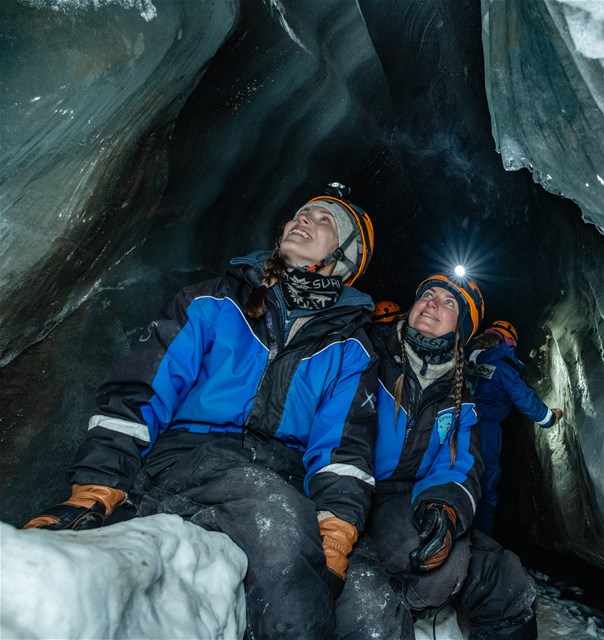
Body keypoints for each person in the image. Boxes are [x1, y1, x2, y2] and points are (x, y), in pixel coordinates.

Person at [23, 182, 379, 640]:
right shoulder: (212, 302)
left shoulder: (350, 348)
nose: (303, 220)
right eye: (301, 213)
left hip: (284, 477)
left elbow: (342, 449)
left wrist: (335, 532)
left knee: (371, 599)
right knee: (281, 524)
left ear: (346, 258)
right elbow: (141, 391)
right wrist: (98, 484)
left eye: (325, 219)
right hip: (191, 457)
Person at [337, 275, 539, 640]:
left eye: (449, 303)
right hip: (344, 487)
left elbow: (459, 462)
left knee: (503, 577)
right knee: (368, 608)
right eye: (428, 295)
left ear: (461, 330)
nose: (432, 303)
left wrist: (444, 510)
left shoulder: (460, 395)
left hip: (403, 497)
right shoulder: (368, 353)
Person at [466, 320, 562, 535]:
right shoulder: (503, 366)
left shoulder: (467, 358)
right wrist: (548, 418)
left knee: (454, 479)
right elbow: (523, 397)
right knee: (484, 487)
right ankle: (478, 544)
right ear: (509, 343)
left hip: (456, 424)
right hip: (485, 431)